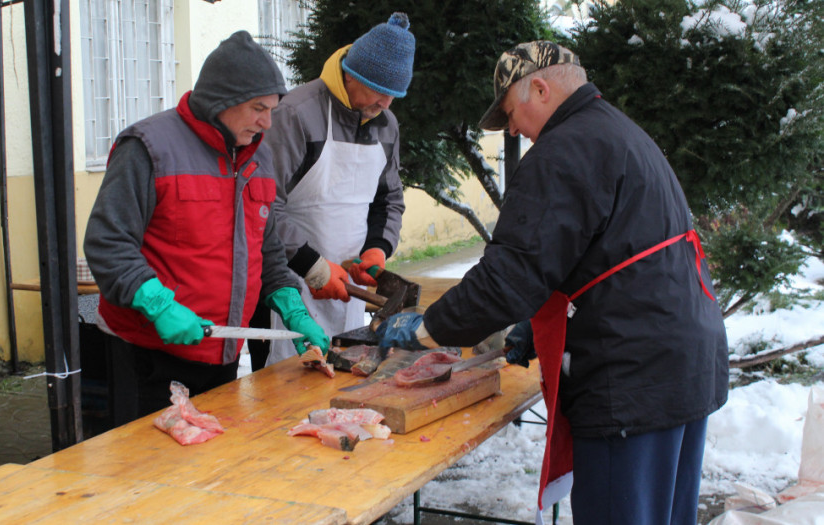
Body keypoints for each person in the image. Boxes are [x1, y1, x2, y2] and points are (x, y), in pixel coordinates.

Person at [376, 41, 729, 525]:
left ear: (539, 88)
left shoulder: (564, 149)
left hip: (631, 379)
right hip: (682, 364)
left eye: (511, 114)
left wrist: (426, 330)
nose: (514, 130)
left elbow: (507, 276)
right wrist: (534, 323)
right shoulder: (617, 131)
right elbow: (602, 253)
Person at [83, 31, 329, 426]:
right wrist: (159, 305)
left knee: (208, 473)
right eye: (258, 108)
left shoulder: (259, 157)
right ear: (222, 102)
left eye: (273, 109)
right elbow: (106, 242)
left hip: (222, 356)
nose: (268, 121)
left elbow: (266, 253)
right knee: (147, 476)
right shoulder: (148, 147)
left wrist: (292, 307)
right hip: (146, 354)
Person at [248, 12, 416, 370]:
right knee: (286, 388)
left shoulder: (386, 125)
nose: (385, 104)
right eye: (379, 92)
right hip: (287, 284)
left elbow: (389, 199)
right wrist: (312, 266)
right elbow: (263, 206)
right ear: (352, 75)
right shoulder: (296, 114)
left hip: (351, 290)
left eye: (393, 96)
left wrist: (378, 248)